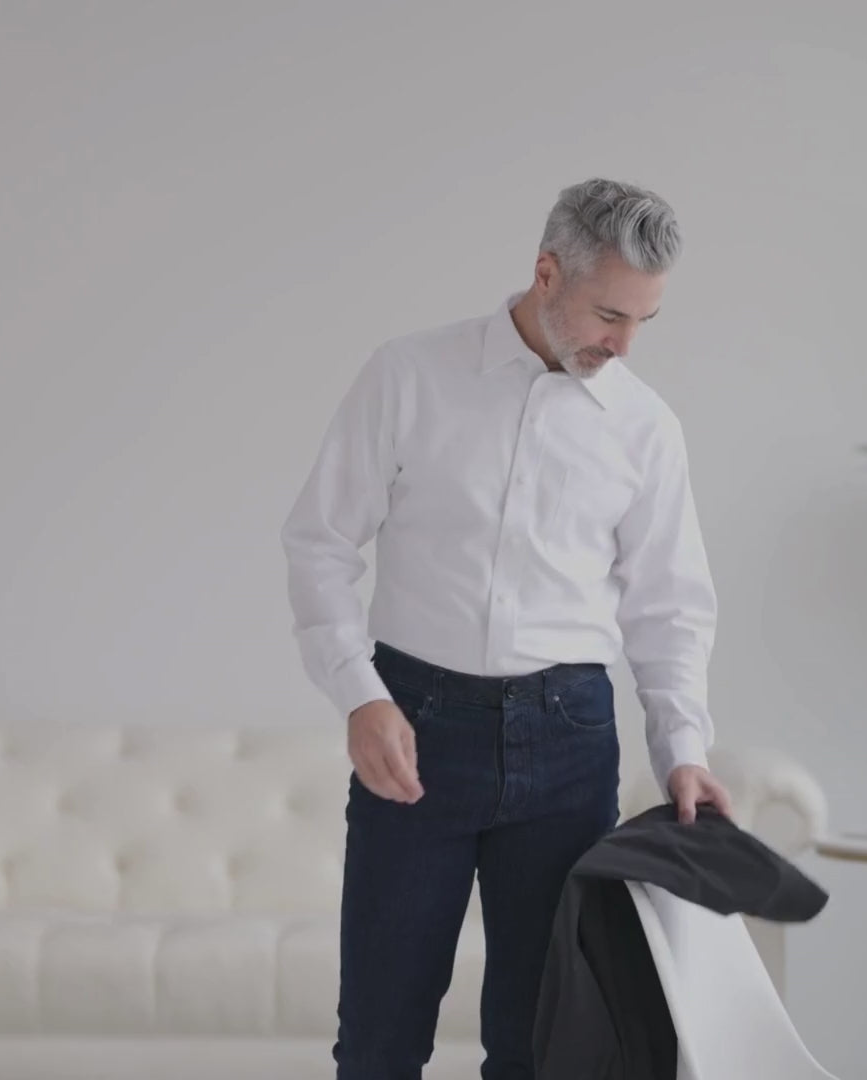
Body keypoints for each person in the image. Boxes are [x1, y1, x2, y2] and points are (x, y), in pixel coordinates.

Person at [280, 177, 735, 1080]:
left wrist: (683, 746)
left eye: (644, 320)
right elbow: (319, 544)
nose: (624, 343)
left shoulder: (644, 427)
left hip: (569, 744)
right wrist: (360, 696)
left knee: (544, 1048)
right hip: (415, 732)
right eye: (610, 313)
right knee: (379, 1040)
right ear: (545, 272)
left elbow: (668, 606)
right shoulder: (409, 376)